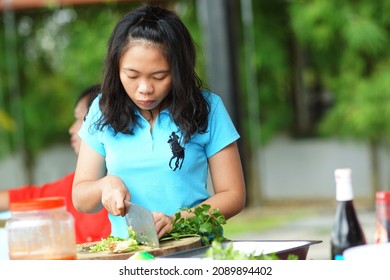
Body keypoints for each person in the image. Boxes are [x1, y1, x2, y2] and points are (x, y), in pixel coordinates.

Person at [72, 5, 246, 240]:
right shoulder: (102, 109)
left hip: (197, 251)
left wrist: (179, 221)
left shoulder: (207, 108)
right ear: (117, 68)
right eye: (132, 76)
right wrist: (105, 185)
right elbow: (81, 197)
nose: (145, 89)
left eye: (159, 76)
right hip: (131, 256)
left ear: (179, 70)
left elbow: (233, 195)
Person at [0, 85, 111, 244]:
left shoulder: (131, 183)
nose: (71, 129)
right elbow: (27, 197)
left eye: (82, 119)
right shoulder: (72, 186)